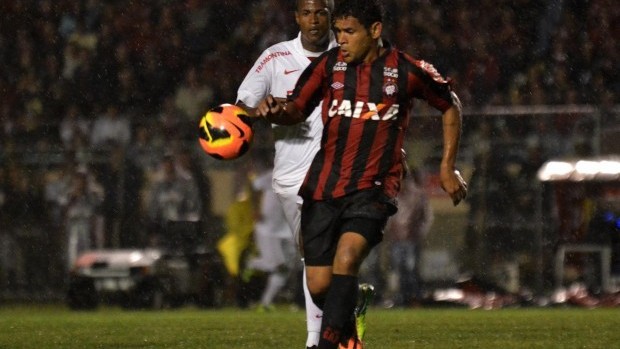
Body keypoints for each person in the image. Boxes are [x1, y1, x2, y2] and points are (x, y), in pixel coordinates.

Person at [255, 1, 467, 348]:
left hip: (374, 186)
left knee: (348, 257)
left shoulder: (406, 70)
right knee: (321, 284)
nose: (341, 40)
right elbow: (295, 108)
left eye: (349, 32)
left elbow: (450, 104)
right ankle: (351, 325)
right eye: (337, 32)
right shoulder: (329, 66)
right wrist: (276, 110)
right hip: (324, 184)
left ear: (375, 30)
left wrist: (447, 166)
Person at [235, 1, 338, 348]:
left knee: (323, 251)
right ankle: (346, 311)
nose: (314, 20)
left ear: (331, 16)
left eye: (321, 12)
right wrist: (258, 109)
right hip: (291, 175)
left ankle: (315, 339)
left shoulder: (347, 52)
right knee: (316, 258)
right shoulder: (275, 57)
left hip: (340, 170)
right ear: (296, 17)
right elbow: (242, 106)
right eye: (307, 12)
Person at [244, 151, 298, 311]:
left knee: (287, 267)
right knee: (278, 267)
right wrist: (255, 209)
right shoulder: (272, 176)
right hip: (267, 229)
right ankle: (251, 263)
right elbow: (253, 187)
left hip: (284, 229)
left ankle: (266, 302)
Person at [383, 168, 433, 307]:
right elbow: (389, 217)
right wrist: (387, 231)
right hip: (397, 240)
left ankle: (413, 297)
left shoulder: (418, 195)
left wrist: (419, 233)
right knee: (398, 269)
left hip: (411, 240)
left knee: (410, 270)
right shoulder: (395, 196)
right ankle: (401, 298)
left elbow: (427, 217)